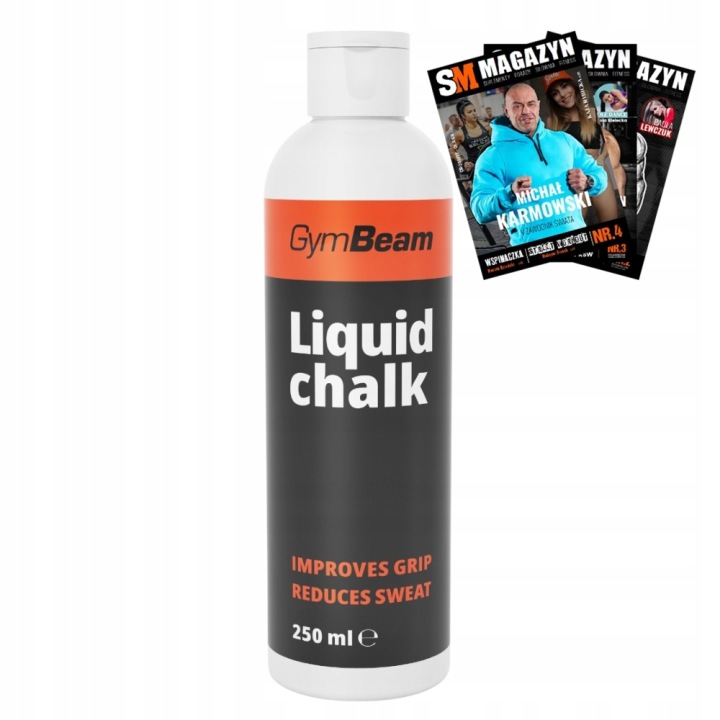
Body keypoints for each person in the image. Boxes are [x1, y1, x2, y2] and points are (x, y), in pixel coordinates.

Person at [470, 83, 607, 246]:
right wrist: (509, 193)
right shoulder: (491, 157)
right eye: (517, 106)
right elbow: (480, 210)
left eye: (531, 104)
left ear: (538, 106)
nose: (526, 111)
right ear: (506, 111)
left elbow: (599, 174)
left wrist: (588, 181)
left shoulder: (564, 140)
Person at [543, 71, 626, 215]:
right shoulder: (551, 122)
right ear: (552, 99)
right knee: (578, 223)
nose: (562, 94)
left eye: (564, 86)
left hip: (597, 169)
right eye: (555, 93)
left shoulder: (593, 113)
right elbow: (549, 157)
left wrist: (601, 158)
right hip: (571, 177)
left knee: (611, 219)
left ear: (574, 86)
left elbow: (608, 140)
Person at [452, 98, 492, 179]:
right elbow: (452, 151)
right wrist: (463, 162)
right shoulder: (459, 134)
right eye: (470, 112)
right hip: (476, 169)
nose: (474, 114)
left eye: (474, 110)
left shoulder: (487, 126)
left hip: (492, 164)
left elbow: (496, 143)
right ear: (463, 116)